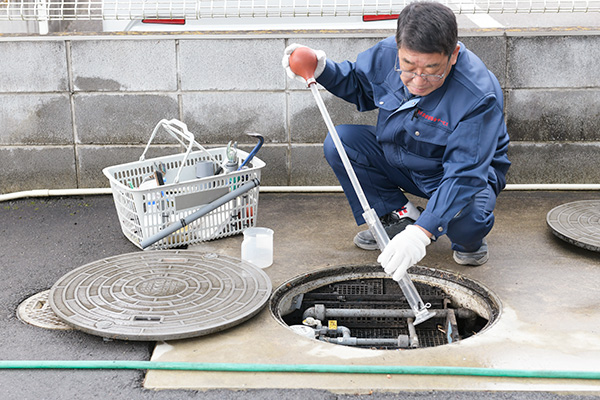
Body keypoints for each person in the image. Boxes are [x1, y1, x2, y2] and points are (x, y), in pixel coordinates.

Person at [282, 1, 510, 281]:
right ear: (399, 49)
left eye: (432, 69)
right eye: (409, 66)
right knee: (342, 142)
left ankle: (466, 241)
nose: (418, 80)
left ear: (453, 55)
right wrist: (321, 69)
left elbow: (464, 174)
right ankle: (399, 218)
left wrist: (422, 235)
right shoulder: (387, 53)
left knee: (468, 218)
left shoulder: (478, 95)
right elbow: (358, 84)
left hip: (458, 176)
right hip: (402, 157)